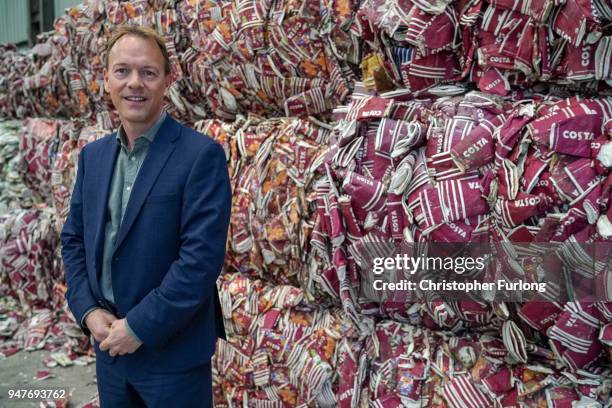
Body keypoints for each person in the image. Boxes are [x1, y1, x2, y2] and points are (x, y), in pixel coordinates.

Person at [60, 25, 231, 407]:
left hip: (172, 356)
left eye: (148, 72)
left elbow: (200, 260)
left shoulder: (199, 155)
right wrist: (88, 310)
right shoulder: (94, 157)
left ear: (167, 80)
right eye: (122, 71)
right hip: (110, 351)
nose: (134, 83)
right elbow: (73, 240)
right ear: (105, 80)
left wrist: (138, 327)